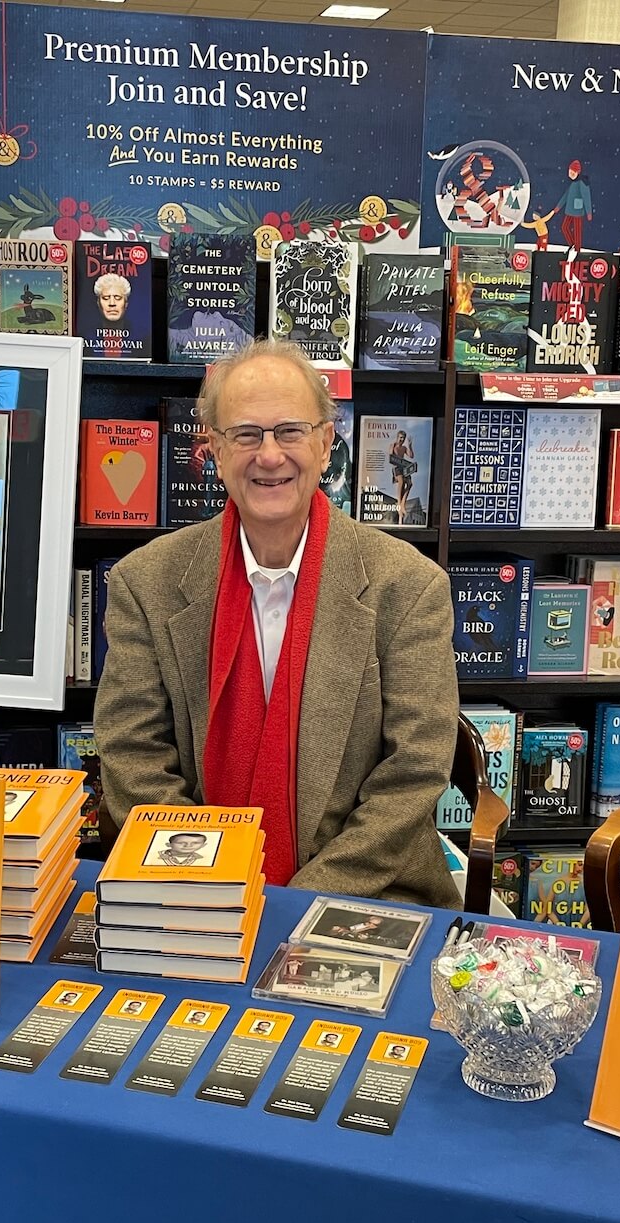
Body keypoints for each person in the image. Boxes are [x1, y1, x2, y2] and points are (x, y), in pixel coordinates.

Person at [94, 339, 460, 907]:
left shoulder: (408, 587)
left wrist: (295, 902)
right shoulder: (146, 583)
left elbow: (413, 774)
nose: (269, 456)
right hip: (196, 889)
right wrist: (213, 883)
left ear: (324, 443)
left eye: (290, 431)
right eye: (245, 434)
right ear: (214, 450)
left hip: (370, 888)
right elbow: (132, 755)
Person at [551, 159, 593, 251]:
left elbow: (586, 197)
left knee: (577, 231)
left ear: (577, 172)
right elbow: (566, 195)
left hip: (578, 210)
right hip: (569, 210)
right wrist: (558, 207)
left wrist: (589, 212)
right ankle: (572, 245)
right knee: (564, 227)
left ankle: (577, 249)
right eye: (570, 172)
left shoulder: (582, 183)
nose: (570, 174)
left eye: (572, 173)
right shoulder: (573, 183)